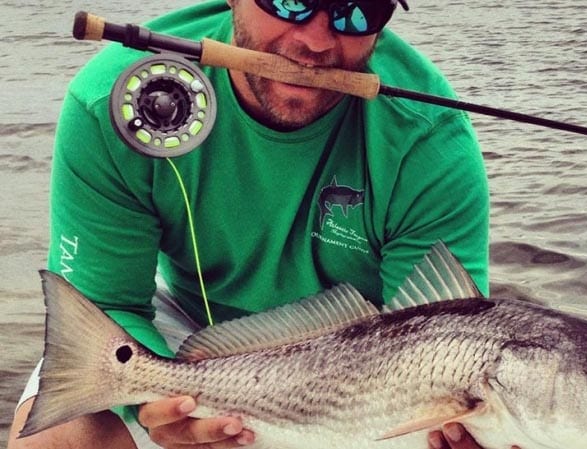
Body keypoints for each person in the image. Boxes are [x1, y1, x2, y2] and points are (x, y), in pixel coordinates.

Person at [7, 0, 492, 448]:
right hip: (180, 327)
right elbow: (109, 303)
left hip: (362, 361)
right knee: (58, 438)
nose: (317, 42)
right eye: (289, 1)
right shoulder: (115, 100)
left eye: (357, 11)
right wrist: (160, 404)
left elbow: (441, 338)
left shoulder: (428, 138)